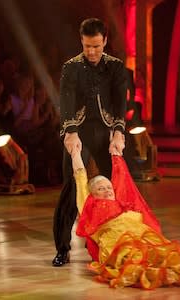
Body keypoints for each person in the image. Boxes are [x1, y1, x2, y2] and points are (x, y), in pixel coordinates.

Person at [70, 146, 180, 290]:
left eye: (109, 187)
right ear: (92, 194)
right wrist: (75, 154)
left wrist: (117, 154)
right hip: (121, 249)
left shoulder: (122, 204)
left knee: (173, 257)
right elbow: (80, 178)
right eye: (101, 188)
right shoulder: (90, 206)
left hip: (145, 240)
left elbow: (121, 180)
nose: (108, 190)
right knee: (155, 269)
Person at [52, 18, 127, 266]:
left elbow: (120, 104)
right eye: (87, 46)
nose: (92, 52)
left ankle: (110, 243)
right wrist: (70, 133)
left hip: (105, 133)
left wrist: (118, 132)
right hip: (79, 134)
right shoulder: (71, 68)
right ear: (81, 42)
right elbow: (66, 103)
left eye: (96, 46)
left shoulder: (115, 67)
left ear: (105, 41)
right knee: (71, 189)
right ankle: (63, 248)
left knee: (110, 189)